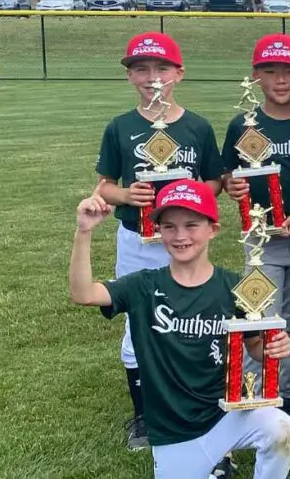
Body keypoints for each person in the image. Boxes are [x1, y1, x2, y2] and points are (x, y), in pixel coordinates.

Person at [69, 179, 290, 478]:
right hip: (173, 429)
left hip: (226, 414)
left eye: (192, 225)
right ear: (158, 230)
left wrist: (271, 346)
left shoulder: (233, 287)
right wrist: (84, 231)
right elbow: (83, 294)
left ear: (212, 229)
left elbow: (254, 342)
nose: (180, 235)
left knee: (280, 428)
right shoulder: (143, 286)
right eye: (170, 226)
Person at [94, 31, 224, 450]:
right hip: (137, 237)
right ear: (131, 76)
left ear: (179, 74)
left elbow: (214, 181)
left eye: (162, 68)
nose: (153, 77)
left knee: (193, 318)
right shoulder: (122, 127)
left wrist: (192, 195)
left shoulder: (197, 127)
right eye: (142, 69)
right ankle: (145, 416)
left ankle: (199, 402)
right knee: (138, 323)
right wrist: (127, 195)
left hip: (187, 240)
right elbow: (104, 187)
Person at [222, 34, 290, 426]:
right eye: (270, 71)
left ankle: (289, 396)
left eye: (289, 72)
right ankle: (256, 394)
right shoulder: (243, 124)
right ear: (255, 76)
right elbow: (228, 174)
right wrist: (231, 185)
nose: (280, 80)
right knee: (261, 319)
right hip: (260, 240)